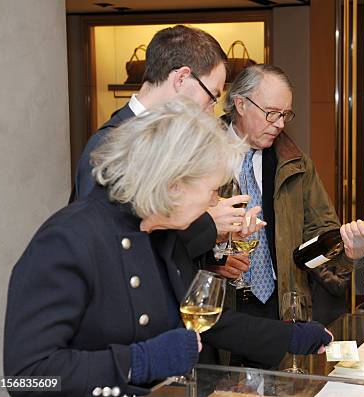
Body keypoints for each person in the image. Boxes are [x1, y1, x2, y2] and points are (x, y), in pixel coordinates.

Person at [4, 99, 333, 397]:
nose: (212, 201)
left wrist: (289, 337)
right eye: (210, 190)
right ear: (173, 184)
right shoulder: (68, 240)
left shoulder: (161, 233)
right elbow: (25, 378)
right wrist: (139, 361)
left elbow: (206, 321)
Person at [72, 24, 250, 282]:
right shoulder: (112, 143)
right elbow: (114, 251)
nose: (211, 110)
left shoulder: (164, 142)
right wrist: (208, 225)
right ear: (180, 78)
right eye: (212, 96)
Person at [220, 64, 364, 327]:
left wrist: (350, 253)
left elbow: (321, 238)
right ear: (240, 104)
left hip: (282, 310)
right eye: (271, 114)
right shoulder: (197, 155)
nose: (279, 124)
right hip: (220, 308)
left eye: (285, 115)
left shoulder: (296, 165)